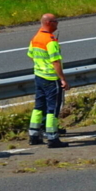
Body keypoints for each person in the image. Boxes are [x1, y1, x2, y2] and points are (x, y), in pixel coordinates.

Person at [27, 13, 70, 148]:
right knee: (53, 109)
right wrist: (62, 79)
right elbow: (56, 62)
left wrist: (41, 66)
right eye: (56, 21)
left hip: (39, 76)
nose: (57, 24)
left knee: (39, 106)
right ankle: (52, 138)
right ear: (50, 23)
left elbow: (30, 55)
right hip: (51, 79)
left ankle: (34, 135)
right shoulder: (50, 41)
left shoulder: (36, 37)